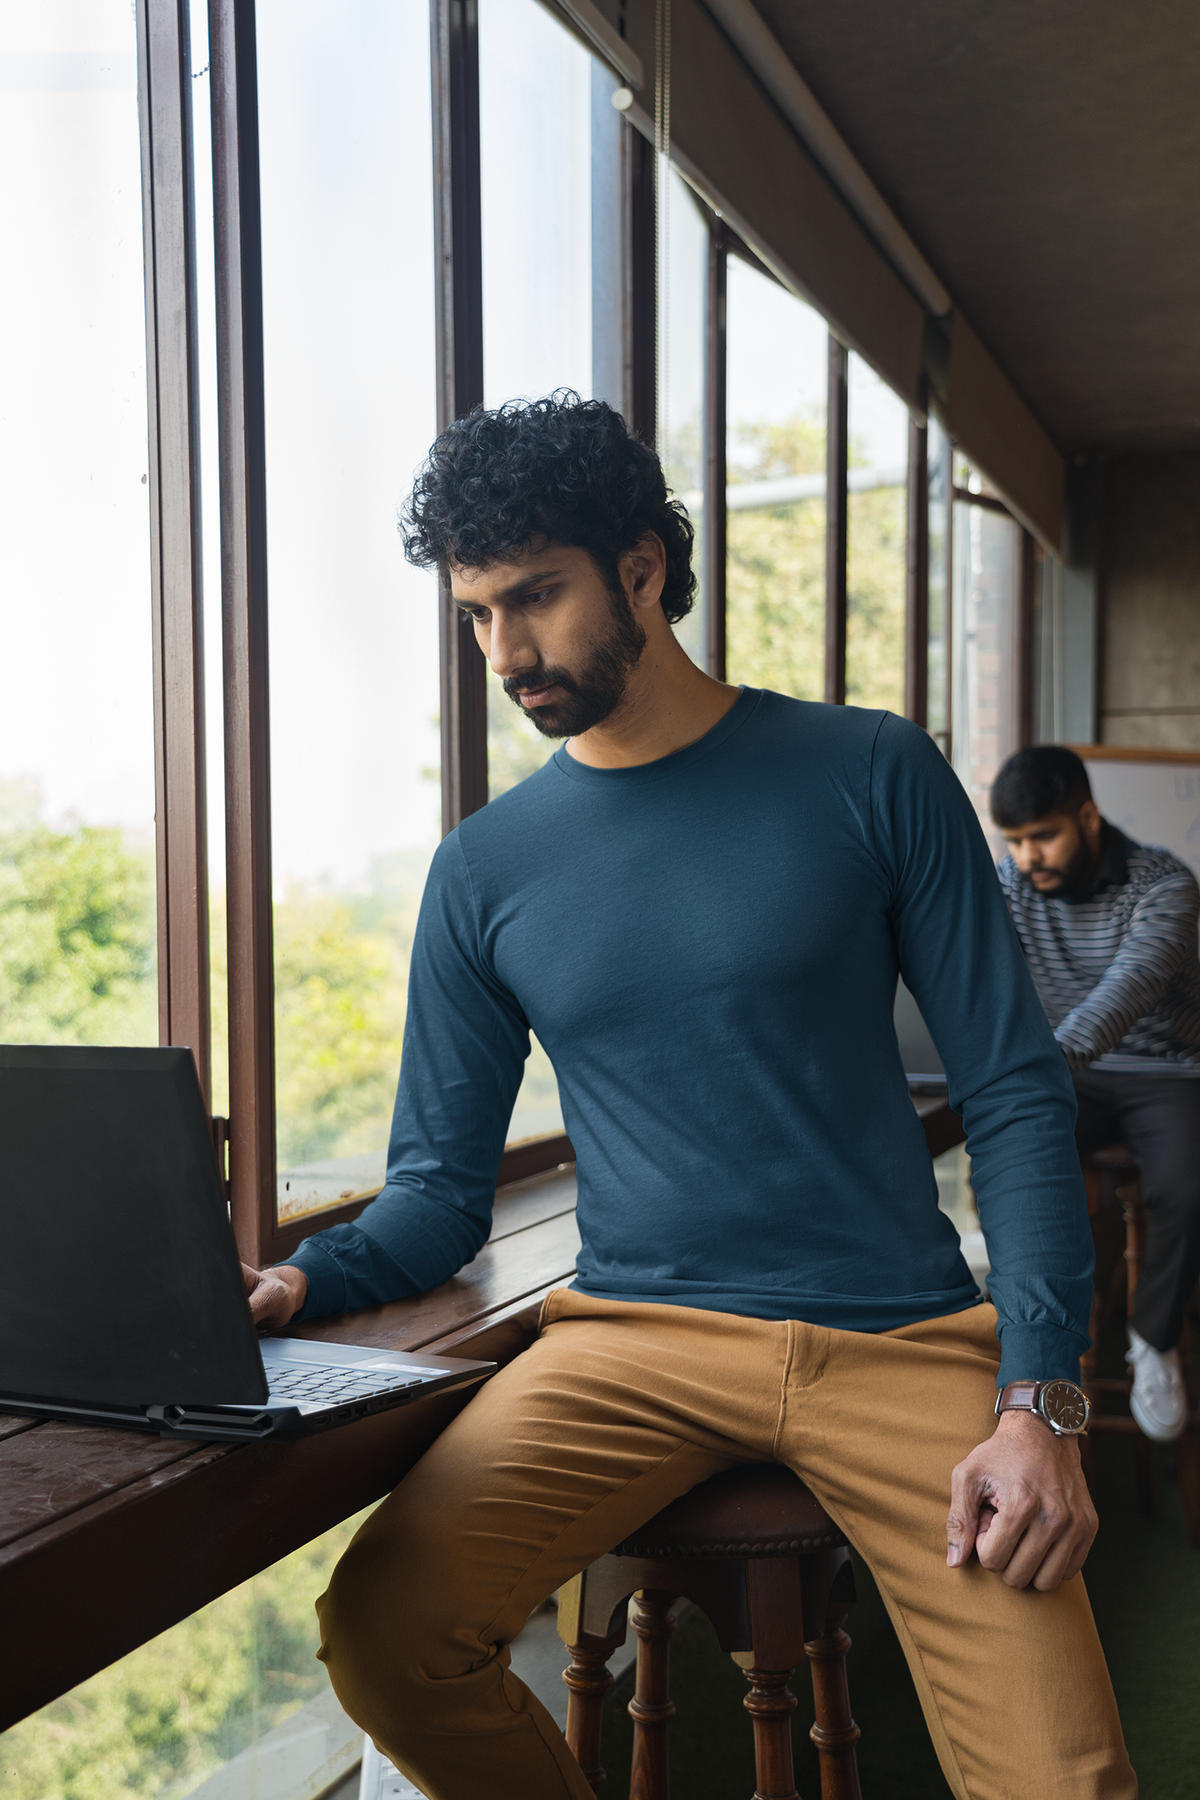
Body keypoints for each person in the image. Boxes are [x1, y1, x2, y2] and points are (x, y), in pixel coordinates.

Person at [244, 395, 1132, 1800]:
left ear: (644, 567)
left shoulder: (872, 772)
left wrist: (1043, 1401)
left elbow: (1017, 1094)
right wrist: (306, 1279)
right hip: (634, 1342)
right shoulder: (483, 872)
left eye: (533, 597)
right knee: (383, 1632)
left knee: (1066, 1781)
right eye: (476, 614)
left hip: (901, 1338)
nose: (506, 652)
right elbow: (434, 1196)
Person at [992, 743, 1200, 1443]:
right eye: (1015, 841)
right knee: (1012, 1164)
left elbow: (1126, 990)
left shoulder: (1165, 886)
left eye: (1042, 835)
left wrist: (1034, 1068)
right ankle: (1033, 1345)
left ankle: (1153, 1338)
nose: (1028, 857)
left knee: (1185, 1185)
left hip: (1165, 1070)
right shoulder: (1011, 885)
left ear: (1087, 815)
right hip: (1069, 1072)